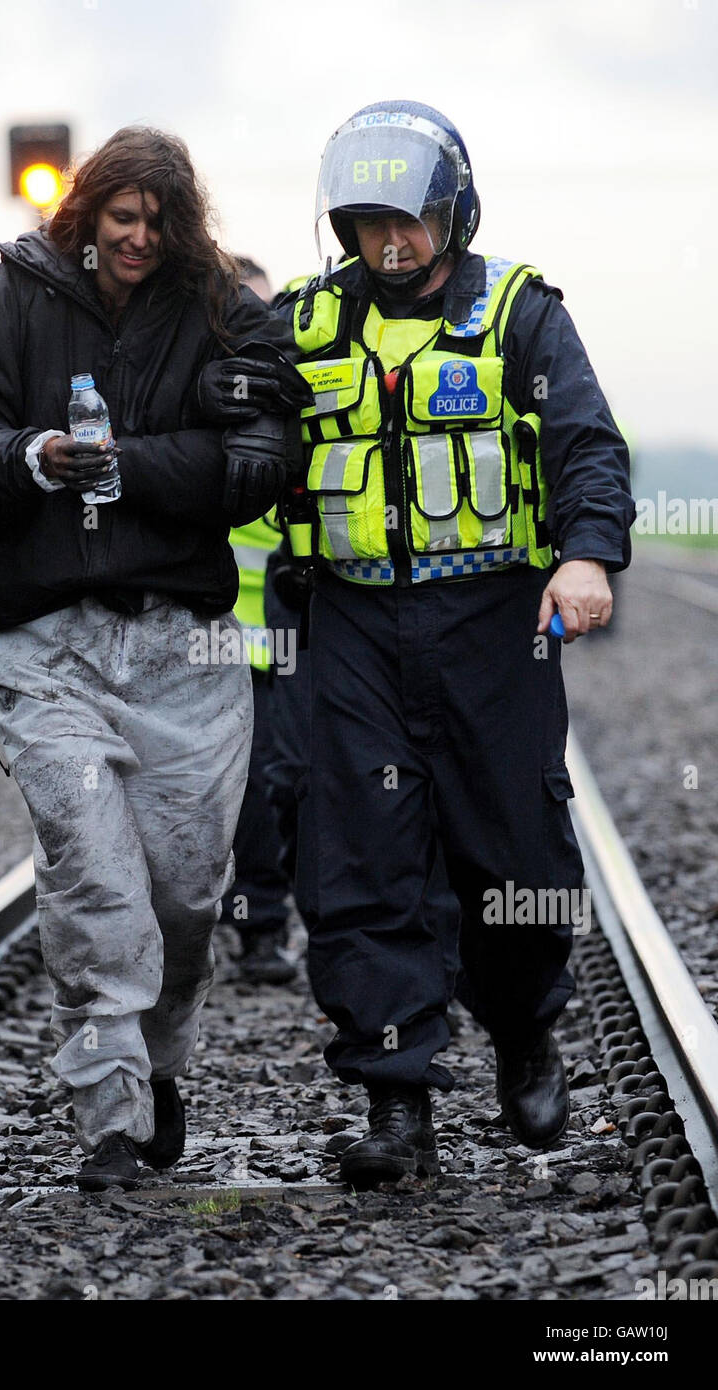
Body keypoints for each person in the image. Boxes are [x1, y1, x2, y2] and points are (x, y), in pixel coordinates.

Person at [0, 126, 305, 1191]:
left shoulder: (223, 307)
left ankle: (159, 1060)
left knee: (183, 889)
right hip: (45, 643)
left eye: (155, 221)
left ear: (182, 224)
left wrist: (135, 468)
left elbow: (267, 451)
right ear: (86, 215)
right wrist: (31, 456)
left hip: (185, 643)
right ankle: (112, 1113)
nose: (136, 238)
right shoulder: (16, 294)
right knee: (94, 870)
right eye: (119, 218)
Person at [279, 102, 635, 1188]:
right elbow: (232, 437)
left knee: (512, 859)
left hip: (493, 621)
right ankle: (396, 1106)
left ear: (454, 214)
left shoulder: (523, 313)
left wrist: (585, 555)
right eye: (367, 223)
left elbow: (584, 444)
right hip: (347, 622)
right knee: (359, 861)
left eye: (409, 223)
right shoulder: (299, 324)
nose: (390, 245)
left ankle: (525, 1031)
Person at [219, 256, 300, 985]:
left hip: (276, 635)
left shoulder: (295, 394)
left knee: (268, 789)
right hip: (195, 633)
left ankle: (262, 926)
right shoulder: (197, 393)